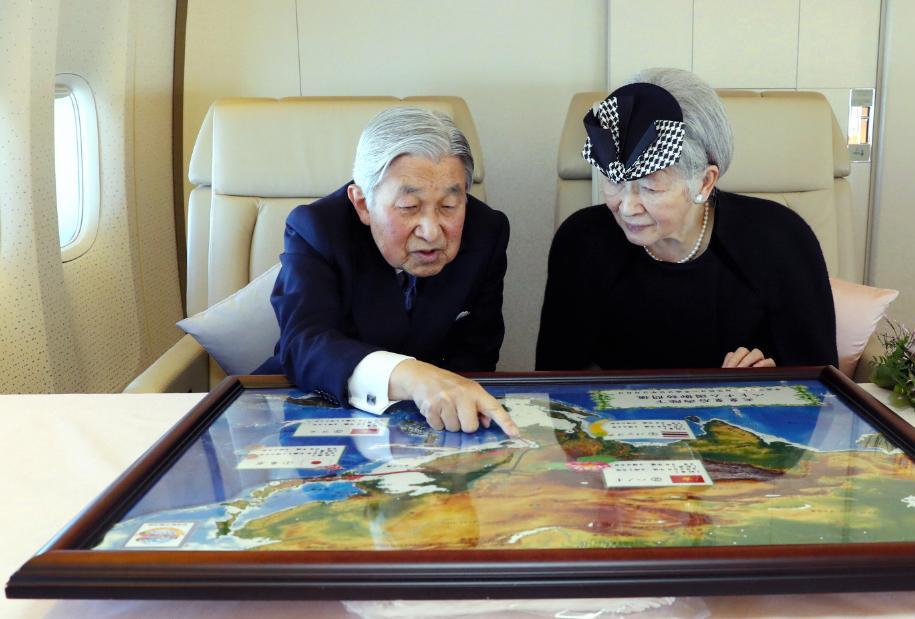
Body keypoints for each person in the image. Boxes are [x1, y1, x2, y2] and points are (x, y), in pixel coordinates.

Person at [536, 68, 837, 371]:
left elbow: (821, 387)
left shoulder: (781, 241)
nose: (626, 207)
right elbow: (554, 383)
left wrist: (769, 386)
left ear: (705, 182)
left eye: (650, 187)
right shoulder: (581, 243)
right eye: (615, 181)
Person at [255, 107, 519, 437]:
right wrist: (410, 375)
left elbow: (478, 351)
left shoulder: (486, 230)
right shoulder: (318, 228)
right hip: (318, 410)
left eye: (449, 206)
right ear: (363, 203)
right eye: (410, 207)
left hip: (430, 425)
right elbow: (303, 342)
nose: (432, 231)